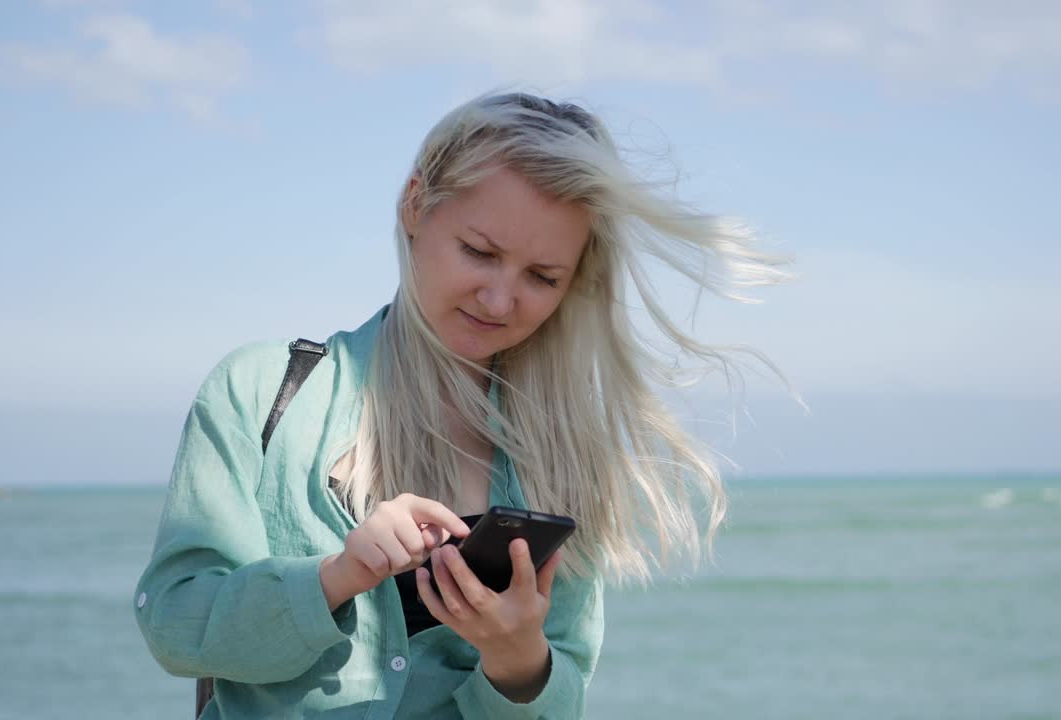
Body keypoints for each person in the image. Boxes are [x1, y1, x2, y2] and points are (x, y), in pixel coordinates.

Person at [134, 91, 788, 719]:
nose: (500, 301)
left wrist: (517, 658)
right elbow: (174, 625)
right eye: (479, 252)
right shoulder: (260, 391)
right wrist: (337, 575)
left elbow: (562, 700)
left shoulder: (564, 451)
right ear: (415, 206)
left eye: (542, 278)